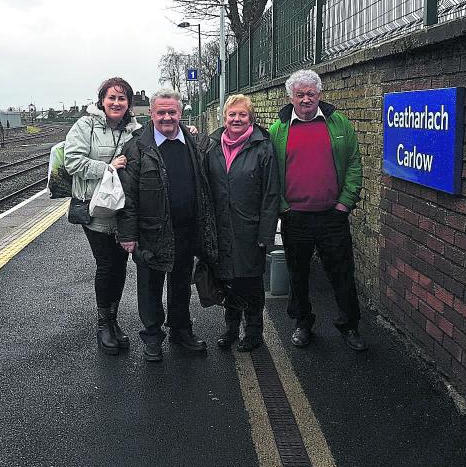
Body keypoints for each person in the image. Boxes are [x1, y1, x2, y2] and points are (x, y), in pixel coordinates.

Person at [268, 69, 367, 352]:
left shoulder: (340, 125)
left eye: (311, 93)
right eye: (300, 94)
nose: (306, 99)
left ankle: (349, 325)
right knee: (297, 275)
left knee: (342, 275)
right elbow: (271, 173)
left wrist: (344, 204)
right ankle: (302, 323)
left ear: (320, 95)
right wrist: (283, 208)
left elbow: (354, 165)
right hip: (294, 217)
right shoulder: (278, 130)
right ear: (291, 98)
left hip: (332, 216)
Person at [118, 89, 218, 362]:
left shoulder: (194, 142)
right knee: (150, 287)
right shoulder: (137, 147)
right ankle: (152, 336)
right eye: (160, 112)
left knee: (181, 284)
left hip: (187, 230)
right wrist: (128, 235)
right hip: (151, 233)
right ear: (151, 114)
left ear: (180, 113)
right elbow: (127, 197)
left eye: (172, 112)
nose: (166, 117)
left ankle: (180, 330)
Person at [64, 77, 142, 355]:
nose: (116, 103)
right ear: (102, 100)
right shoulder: (86, 125)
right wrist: (107, 167)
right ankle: (103, 324)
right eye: (112, 98)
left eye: (122, 99)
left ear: (129, 104)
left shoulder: (135, 130)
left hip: (121, 210)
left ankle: (113, 320)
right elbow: (72, 161)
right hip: (94, 207)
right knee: (106, 264)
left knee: (120, 266)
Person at [205, 95, 279, 352]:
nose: (236, 119)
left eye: (242, 115)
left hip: (250, 227)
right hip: (220, 226)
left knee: (250, 282)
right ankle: (231, 328)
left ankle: (255, 331)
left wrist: (266, 233)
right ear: (224, 117)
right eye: (232, 115)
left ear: (251, 118)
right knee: (228, 280)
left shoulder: (263, 147)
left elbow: (271, 193)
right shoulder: (212, 146)